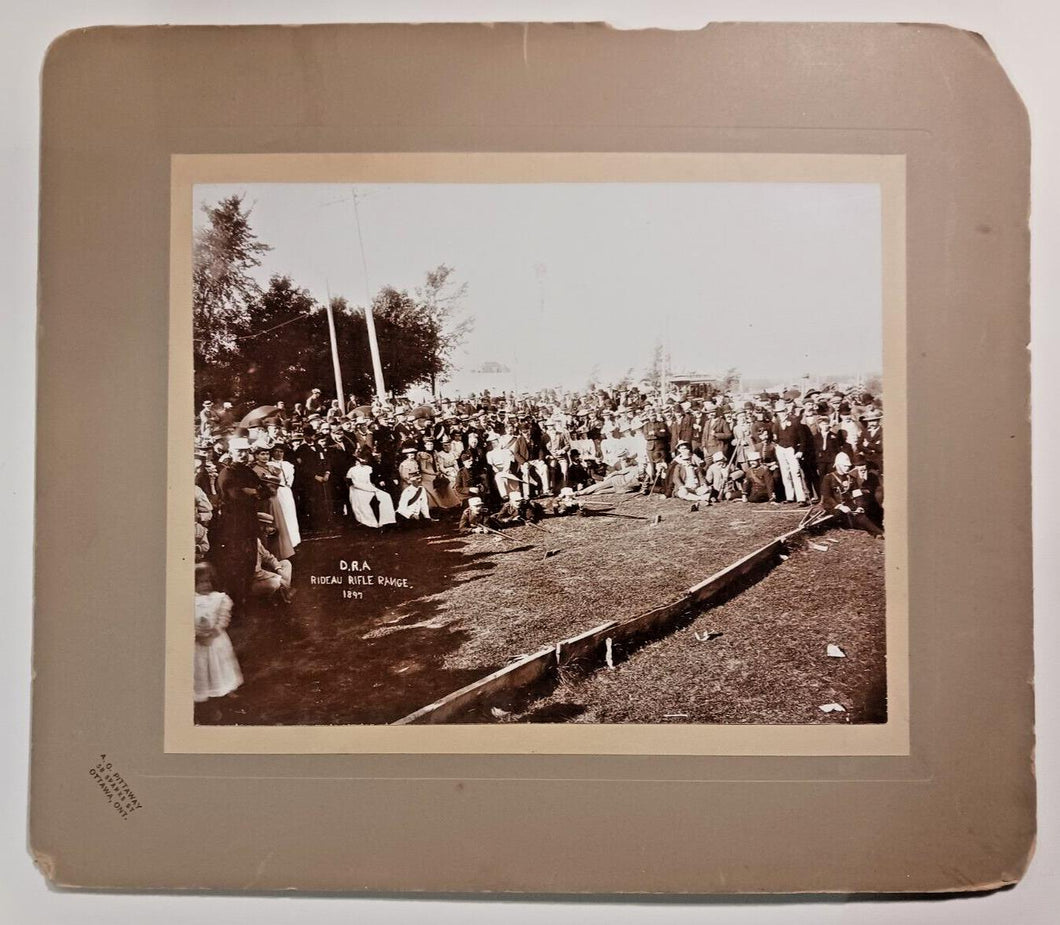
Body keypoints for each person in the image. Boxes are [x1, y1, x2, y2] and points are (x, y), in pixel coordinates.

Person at [194, 563, 243, 704]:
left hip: (216, 640)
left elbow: (223, 618)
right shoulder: (190, 600)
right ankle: (203, 691)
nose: (205, 585)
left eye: (208, 581)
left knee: (221, 666)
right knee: (201, 667)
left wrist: (213, 634)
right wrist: (197, 634)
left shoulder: (219, 598)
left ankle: (226, 687)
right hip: (197, 641)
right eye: (201, 582)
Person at [819, 452, 884, 537]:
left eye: (848, 466)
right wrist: (840, 506)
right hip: (834, 507)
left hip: (848, 506)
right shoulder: (828, 478)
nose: (847, 468)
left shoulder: (851, 478)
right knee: (840, 515)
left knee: (860, 515)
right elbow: (827, 497)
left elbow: (858, 495)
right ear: (838, 465)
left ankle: (879, 532)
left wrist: (860, 506)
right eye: (845, 466)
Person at [250, 513, 296, 602]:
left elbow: (269, 557)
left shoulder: (258, 540)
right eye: (264, 526)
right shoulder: (251, 542)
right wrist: (278, 577)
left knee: (286, 563)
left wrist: (278, 568)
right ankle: (284, 591)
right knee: (275, 583)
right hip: (253, 581)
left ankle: (284, 591)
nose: (267, 529)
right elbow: (256, 572)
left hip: (263, 574)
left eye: (267, 526)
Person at [346, 453, 397, 528]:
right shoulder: (352, 470)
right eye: (361, 459)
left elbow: (372, 479)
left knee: (386, 496)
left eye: (365, 459)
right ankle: (369, 521)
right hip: (357, 489)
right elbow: (353, 483)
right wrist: (368, 488)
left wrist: (373, 486)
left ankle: (387, 520)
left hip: (370, 487)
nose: (364, 461)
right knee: (363, 502)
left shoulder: (368, 468)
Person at [268, 445, 301, 549]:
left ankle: (293, 540)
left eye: (281, 452)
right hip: (277, 491)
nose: (278, 454)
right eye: (276, 451)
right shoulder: (269, 464)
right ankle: (284, 542)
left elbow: (290, 479)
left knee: (290, 514)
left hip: (287, 491)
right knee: (281, 514)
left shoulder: (288, 465)